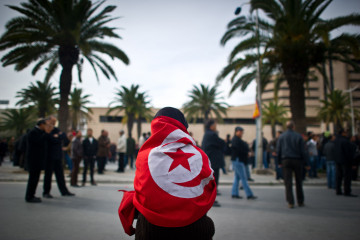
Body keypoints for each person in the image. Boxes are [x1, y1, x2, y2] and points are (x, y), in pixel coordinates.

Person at [118, 107, 216, 239]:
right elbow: (209, 188)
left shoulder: (144, 156)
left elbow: (141, 191)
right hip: (195, 229)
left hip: (152, 231)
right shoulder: (199, 155)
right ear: (183, 127)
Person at [277, 121, 309, 208]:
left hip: (286, 160)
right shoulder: (298, 136)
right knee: (299, 181)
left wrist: (279, 162)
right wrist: (306, 162)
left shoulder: (281, 136)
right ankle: (300, 201)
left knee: (288, 182)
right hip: (297, 160)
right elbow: (303, 151)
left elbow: (278, 150)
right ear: (293, 127)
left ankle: (290, 202)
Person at [43, 116, 74, 198]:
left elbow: (63, 136)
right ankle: (46, 192)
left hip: (58, 156)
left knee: (60, 175)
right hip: (49, 157)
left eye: (55, 121)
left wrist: (57, 137)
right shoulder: (46, 130)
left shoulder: (56, 129)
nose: (54, 123)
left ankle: (64, 191)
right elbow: (50, 139)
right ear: (48, 121)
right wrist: (56, 137)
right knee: (48, 175)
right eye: (52, 121)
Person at [25, 119, 50, 203]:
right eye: (45, 125)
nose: (46, 127)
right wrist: (46, 133)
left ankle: (32, 195)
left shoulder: (39, 132)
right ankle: (29, 196)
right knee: (32, 179)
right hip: (33, 160)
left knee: (35, 179)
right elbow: (38, 142)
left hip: (38, 160)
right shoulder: (33, 132)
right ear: (41, 125)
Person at [201, 119, 225, 207]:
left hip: (211, 161)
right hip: (214, 161)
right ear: (211, 126)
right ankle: (211, 200)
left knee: (211, 182)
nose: (216, 126)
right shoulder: (212, 134)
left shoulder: (207, 134)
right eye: (215, 125)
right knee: (213, 182)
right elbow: (222, 143)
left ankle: (211, 200)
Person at [231, 127, 257, 200]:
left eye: (242, 132)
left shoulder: (237, 140)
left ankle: (234, 193)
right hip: (238, 160)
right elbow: (239, 150)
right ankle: (249, 194)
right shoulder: (236, 140)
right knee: (243, 178)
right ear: (236, 132)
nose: (241, 133)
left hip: (238, 160)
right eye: (240, 132)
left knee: (237, 177)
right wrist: (247, 153)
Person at [334, 129, 357, 197]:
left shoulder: (336, 141)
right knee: (347, 177)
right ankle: (347, 191)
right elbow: (348, 153)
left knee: (339, 176)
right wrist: (352, 162)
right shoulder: (345, 141)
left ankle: (338, 190)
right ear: (343, 133)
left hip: (338, 160)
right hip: (345, 161)